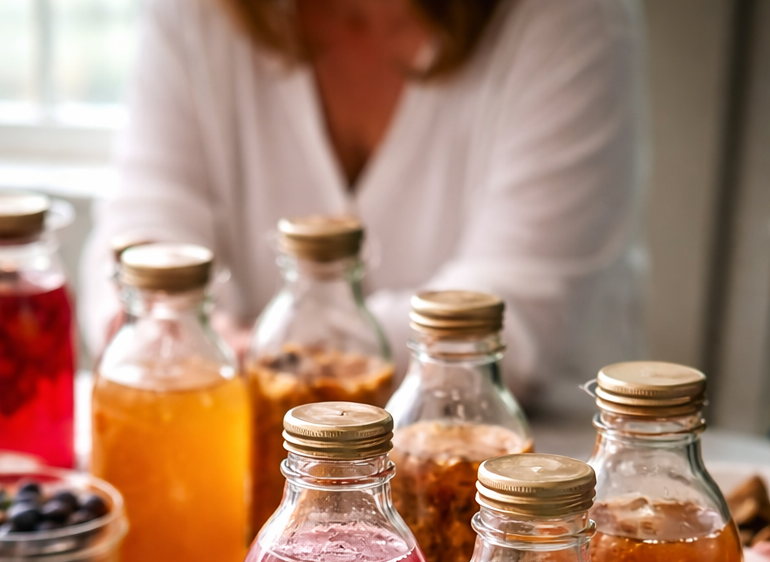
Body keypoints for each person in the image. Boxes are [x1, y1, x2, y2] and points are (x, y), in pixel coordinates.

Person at [82, 0, 644, 409]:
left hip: (522, 489)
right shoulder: (195, 15)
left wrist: (264, 356)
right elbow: (143, 223)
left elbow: (512, 314)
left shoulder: (573, 18)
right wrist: (164, 326)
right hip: (258, 472)